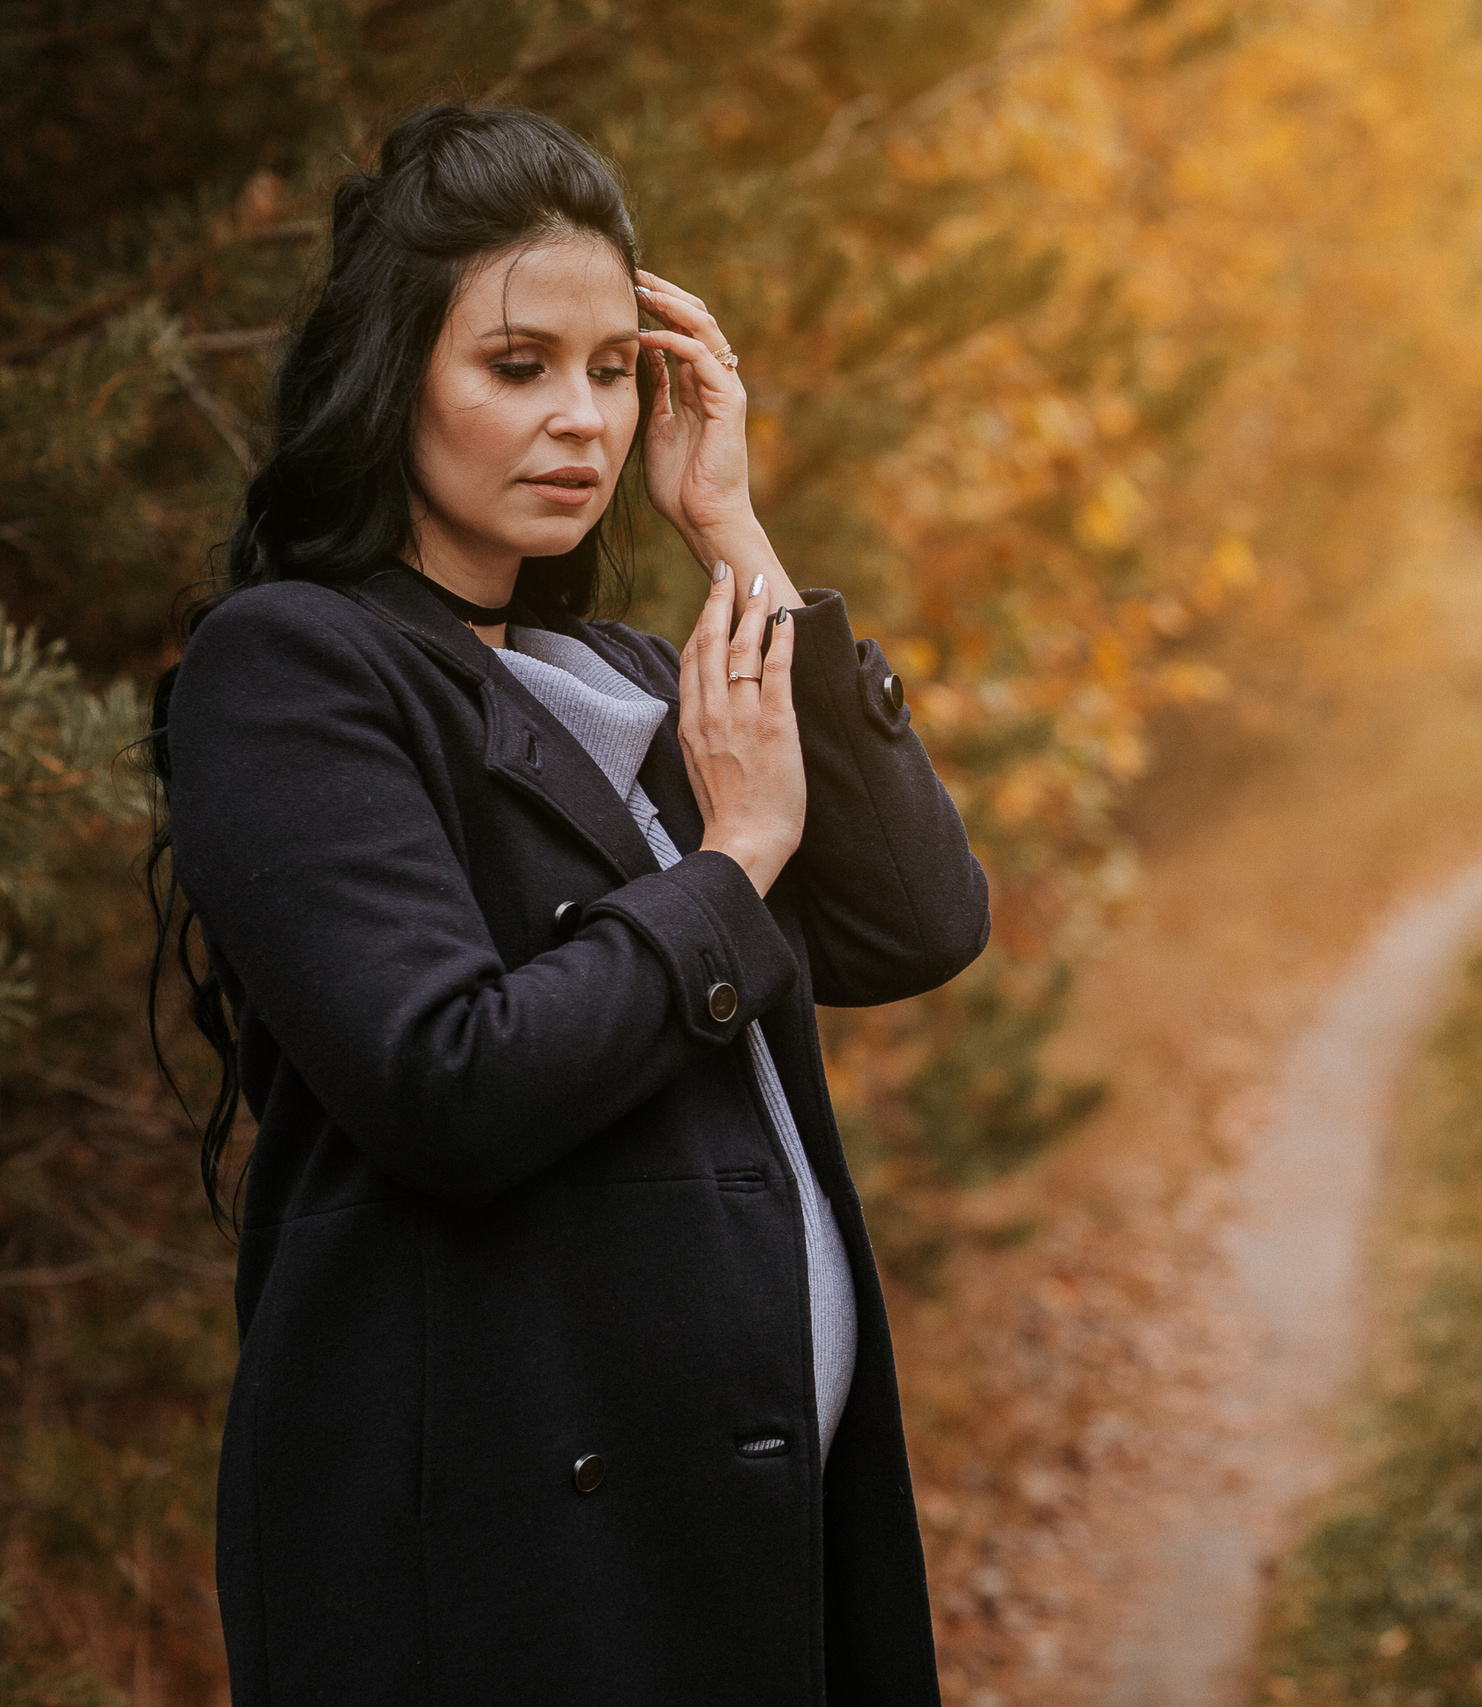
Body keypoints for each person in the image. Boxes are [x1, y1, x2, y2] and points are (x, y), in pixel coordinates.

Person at [148, 104, 987, 1705]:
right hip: (503, 1591)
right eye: (518, 366)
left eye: (615, 371)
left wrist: (732, 532)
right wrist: (729, 864)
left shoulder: (602, 669)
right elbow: (445, 1075)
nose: (582, 422)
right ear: (397, 376)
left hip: (749, 1551)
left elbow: (919, 920)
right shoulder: (292, 667)